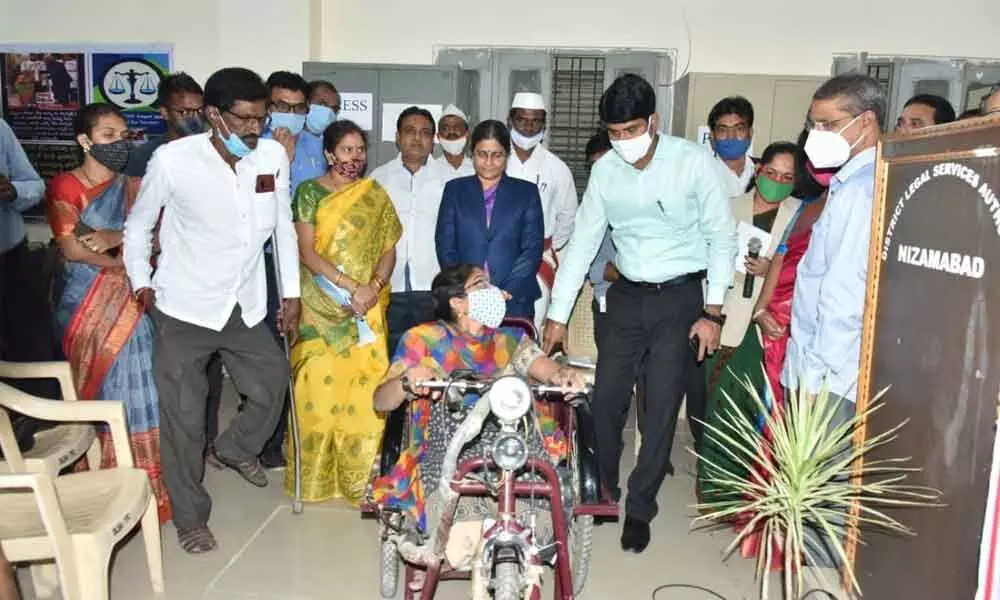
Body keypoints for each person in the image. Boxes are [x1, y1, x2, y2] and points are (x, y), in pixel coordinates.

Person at [543, 74, 736, 554]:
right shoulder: (607, 171)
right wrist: (557, 313)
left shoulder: (692, 163)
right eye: (615, 132)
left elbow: (721, 237)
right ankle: (603, 491)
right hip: (626, 297)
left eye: (632, 129)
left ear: (655, 121)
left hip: (680, 298)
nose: (623, 141)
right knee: (606, 400)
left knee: (662, 405)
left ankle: (641, 507)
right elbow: (585, 240)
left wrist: (713, 311)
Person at [123, 67, 301, 553]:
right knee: (182, 418)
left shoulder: (271, 156)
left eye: (260, 119)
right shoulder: (173, 160)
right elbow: (138, 227)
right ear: (213, 116)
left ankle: (232, 447)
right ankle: (190, 517)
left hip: (242, 304)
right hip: (182, 306)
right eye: (243, 120)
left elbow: (282, 225)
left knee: (273, 380)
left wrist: (292, 292)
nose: (253, 130)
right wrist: (141, 283)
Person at [370, 264, 585, 532]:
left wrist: (563, 375)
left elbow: (545, 368)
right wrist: (408, 380)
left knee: (522, 402)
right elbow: (381, 401)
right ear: (458, 303)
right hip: (447, 446)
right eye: (482, 284)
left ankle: (533, 518)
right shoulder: (422, 340)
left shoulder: (510, 340)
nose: (494, 291)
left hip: (510, 441)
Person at [47, 103, 170, 522]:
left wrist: (118, 238)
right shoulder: (66, 186)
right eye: (108, 135)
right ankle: (99, 488)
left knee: (142, 387)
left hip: (133, 302)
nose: (119, 144)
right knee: (99, 391)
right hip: (85, 305)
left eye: (123, 135)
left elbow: (157, 236)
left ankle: (146, 488)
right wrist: (125, 260)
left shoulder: (134, 186)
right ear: (85, 140)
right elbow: (72, 248)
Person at [289, 119, 401, 504]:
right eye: (346, 150)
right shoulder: (308, 193)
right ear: (328, 154)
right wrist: (351, 287)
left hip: (367, 310)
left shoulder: (375, 195)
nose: (354, 157)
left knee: (363, 391)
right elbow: (306, 252)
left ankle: (362, 480)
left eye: (359, 150)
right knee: (318, 393)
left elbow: (389, 249)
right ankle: (317, 479)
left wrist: (374, 287)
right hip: (322, 306)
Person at [695, 141, 803, 503]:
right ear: (759, 171)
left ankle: (735, 492)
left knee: (744, 407)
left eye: (787, 177)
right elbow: (701, 252)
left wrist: (771, 267)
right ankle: (711, 487)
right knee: (712, 406)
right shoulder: (729, 208)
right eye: (771, 173)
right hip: (720, 315)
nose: (777, 182)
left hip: (762, 326)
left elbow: (802, 268)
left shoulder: (800, 215)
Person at [784, 73, 884, 410]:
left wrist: (813, 380)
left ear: (866, 121)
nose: (817, 135)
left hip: (829, 380)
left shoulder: (861, 191)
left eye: (828, 124)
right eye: (814, 125)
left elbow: (843, 295)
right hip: (820, 368)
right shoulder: (849, 183)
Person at [436, 120, 544, 320]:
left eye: (497, 155)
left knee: (512, 351)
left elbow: (532, 249)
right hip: (467, 302)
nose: (488, 162)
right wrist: (466, 289)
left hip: (514, 299)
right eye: (482, 154)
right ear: (472, 153)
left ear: (507, 155)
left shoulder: (526, 193)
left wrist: (505, 292)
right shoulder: (455, 190)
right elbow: (445, 246)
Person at [372, 106, 447, 356]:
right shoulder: (377, 179)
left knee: (431, 358)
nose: (417, 138)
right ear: (397, 137)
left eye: (425, 132)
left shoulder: (449, 180)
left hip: (432, 286)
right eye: (410, 131)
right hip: (389, 287)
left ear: (433, 140)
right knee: (391, 358)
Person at [505, 92, 578, 330]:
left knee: (530, 328)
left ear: (544, 124)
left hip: (537, 262)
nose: (528, 126)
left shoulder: (557, 168)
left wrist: (547, 247)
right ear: (510, 120)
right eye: (522, 119)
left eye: (535, 120)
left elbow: (568, 217)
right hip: (495, 260)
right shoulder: (496, 159)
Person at [0, 117, 46, 373]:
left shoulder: (0, 129)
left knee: (26, 353)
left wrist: (13, 191)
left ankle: (29, 412)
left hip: (10, 260)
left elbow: (35, 185)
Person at [124, 72, 204, 177]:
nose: (194, 118)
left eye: (199, 110)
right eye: (185, 112)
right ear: (165, 113)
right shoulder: (143, 156)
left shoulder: (214, 150)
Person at [709, 96, 756, 198]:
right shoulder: (702, 173)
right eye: (723, 130)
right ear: (712, 136)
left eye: (739, 129)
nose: (731, 136)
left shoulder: (766, 172)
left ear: (750, 133)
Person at [299, 80, 341, 189]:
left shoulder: (333, 147)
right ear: (306, 103)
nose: (328, 112)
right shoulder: (288, 140)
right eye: (323, 104)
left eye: (334, 109)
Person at [437, 103, 474, 181]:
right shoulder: (430, 169)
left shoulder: (478, 170)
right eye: (445, 128)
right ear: (438, 136)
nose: (451, 131)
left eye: (457, 127)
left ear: (467, 135)